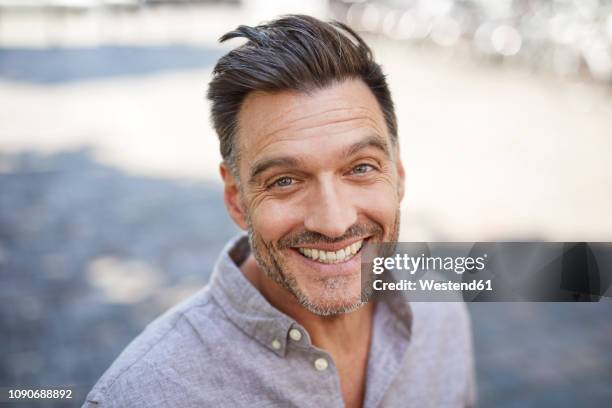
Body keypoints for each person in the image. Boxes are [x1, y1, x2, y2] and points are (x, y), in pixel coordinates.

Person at [83, 14, 475, 408]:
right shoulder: (141, 396)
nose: (334, 222)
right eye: (285, 180)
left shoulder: (439, 310)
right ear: (237, 199)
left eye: (360, 168)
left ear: (398, 174)